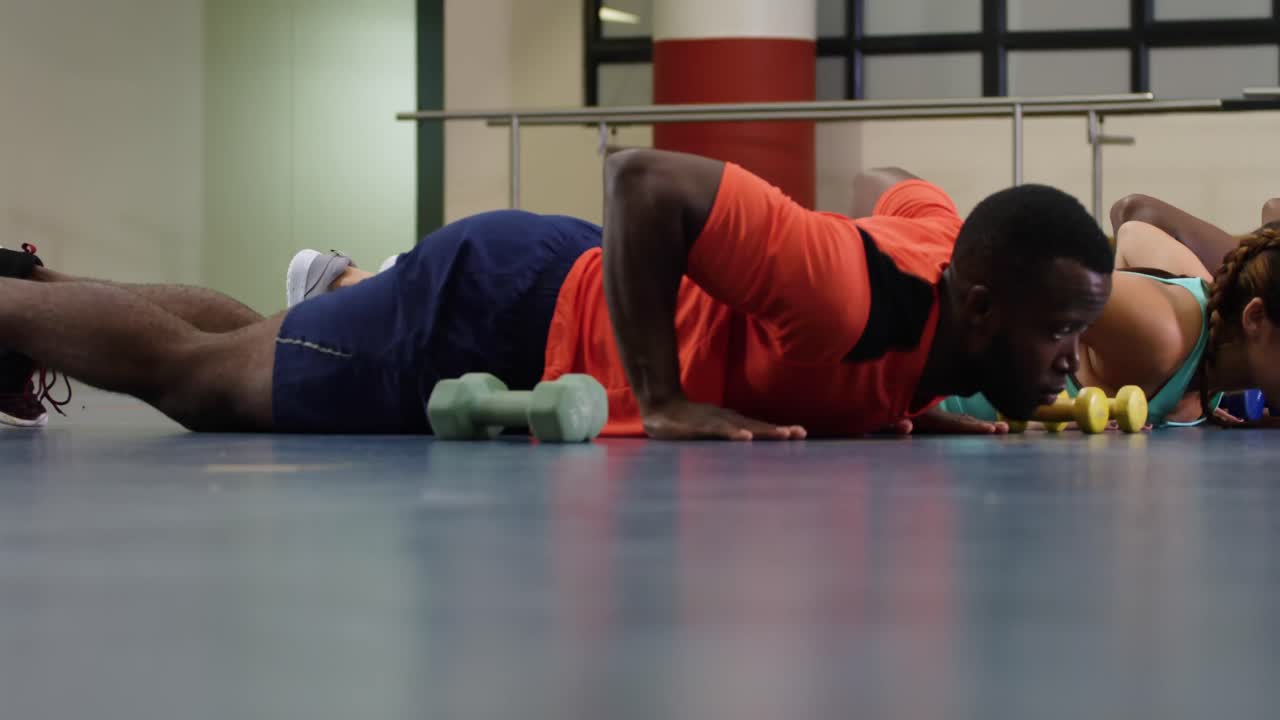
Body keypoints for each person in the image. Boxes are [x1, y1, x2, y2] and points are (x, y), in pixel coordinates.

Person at [0, 149, 1114, 438]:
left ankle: (33, 289)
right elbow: (643, 182)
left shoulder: (944, 257)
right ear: (975, 308)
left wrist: (951, 408)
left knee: (251, 342)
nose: (1072, 360)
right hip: (499, 315)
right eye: (1060, 334)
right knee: (204, 384)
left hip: (538, 282)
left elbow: (895, 190)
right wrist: (663, 396)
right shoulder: (842, 295)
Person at [940, 195, 1280, 428]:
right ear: (1255, 319)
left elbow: (1135, 232)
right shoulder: (1161, 337)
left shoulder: (1217, 324)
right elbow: (1009, 270)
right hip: (935, 401)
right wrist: (1030, 409)